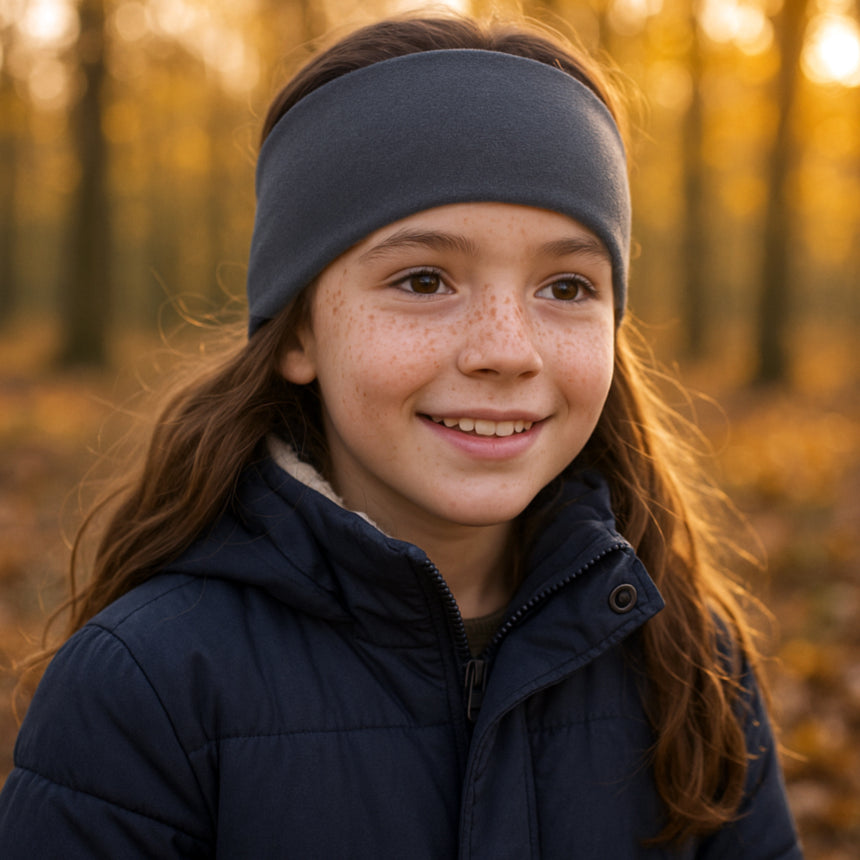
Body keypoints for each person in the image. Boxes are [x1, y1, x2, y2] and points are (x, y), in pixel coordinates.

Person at [0, 12, 802, 859]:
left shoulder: (689, 663)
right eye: (424, 280)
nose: (506, 350)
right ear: (299, 332)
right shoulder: (148, 691)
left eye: (567, 287)